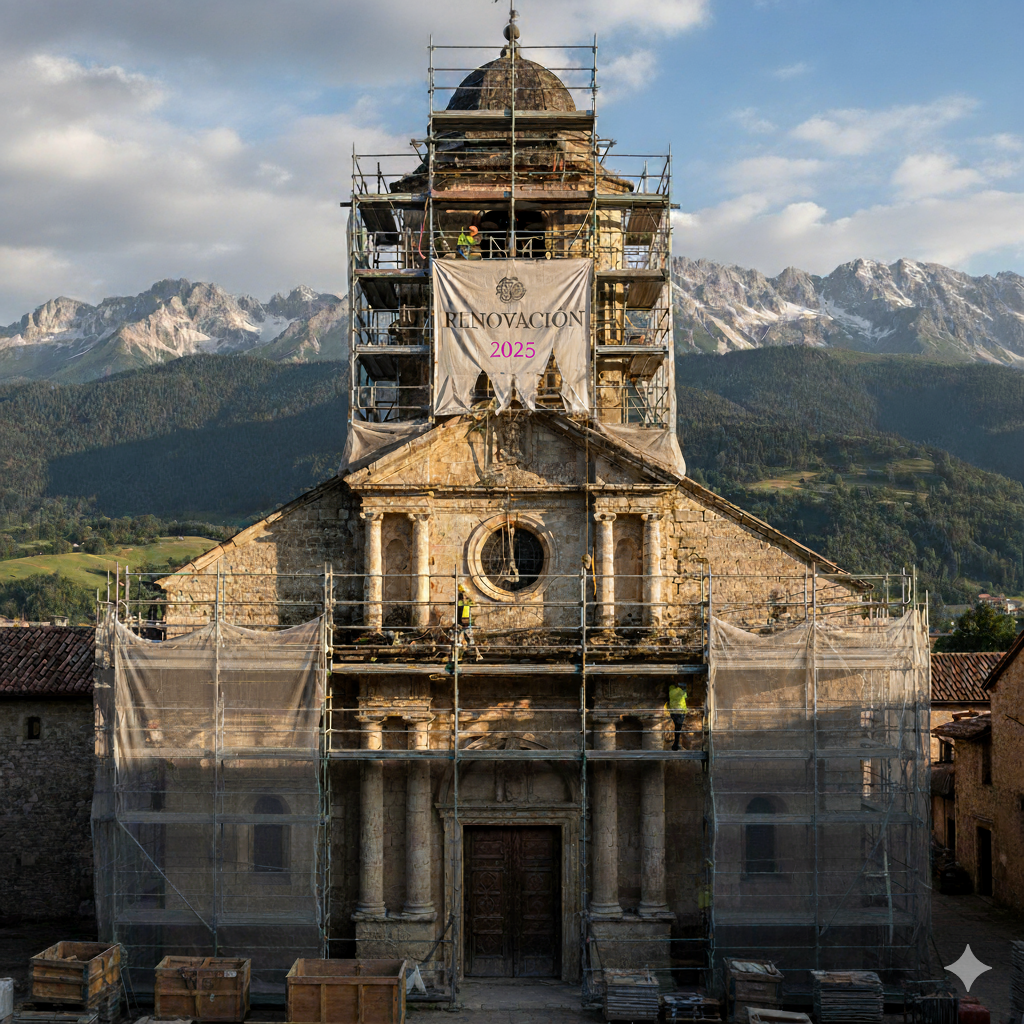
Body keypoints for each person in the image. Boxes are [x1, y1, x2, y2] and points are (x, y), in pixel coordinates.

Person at [457, 583, 482, 660]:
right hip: (464, 622)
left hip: (465, 622)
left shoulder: (463, 603)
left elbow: (472, 605)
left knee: (467, 639)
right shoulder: (463, 602)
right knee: (463, 640)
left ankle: (477, 655)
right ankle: (476, 655)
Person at [667, 681, 687, 751]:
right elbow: (685, 696)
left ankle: (675, 744)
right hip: (680, 711)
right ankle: (677, 744)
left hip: (673, 711)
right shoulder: (679, 691)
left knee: (675, 728)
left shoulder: (670, 692)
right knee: (679, 728)